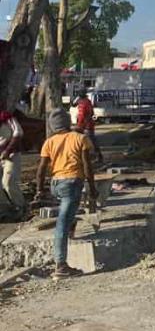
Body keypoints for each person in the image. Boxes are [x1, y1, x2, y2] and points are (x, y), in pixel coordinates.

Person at [34, 108, 97, 280]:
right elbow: (87, 166)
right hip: (72, 182)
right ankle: (61, 265)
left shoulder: (49, 142)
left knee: (68, 212)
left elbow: (40, 170)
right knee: (62, 222)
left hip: (56, 184)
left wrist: (40, 190)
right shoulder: (80, 138)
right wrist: (92, 187)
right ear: (68, 122)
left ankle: (70, 233)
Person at [0, 105, 25, 220]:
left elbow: (18, 133)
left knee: (8, 183)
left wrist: (7, 150)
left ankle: (21, 208)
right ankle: (5, 209)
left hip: (11, 154)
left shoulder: (7, 118)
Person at [74, 89, 103, 164]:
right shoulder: (81, 102)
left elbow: (87, 114)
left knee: (91, 141)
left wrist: (81, 125)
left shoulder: (86, 102)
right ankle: (87, 157)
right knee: (82, 142)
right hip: (83, 125)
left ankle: (98, 157)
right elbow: (80, 114)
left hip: (87, 126)